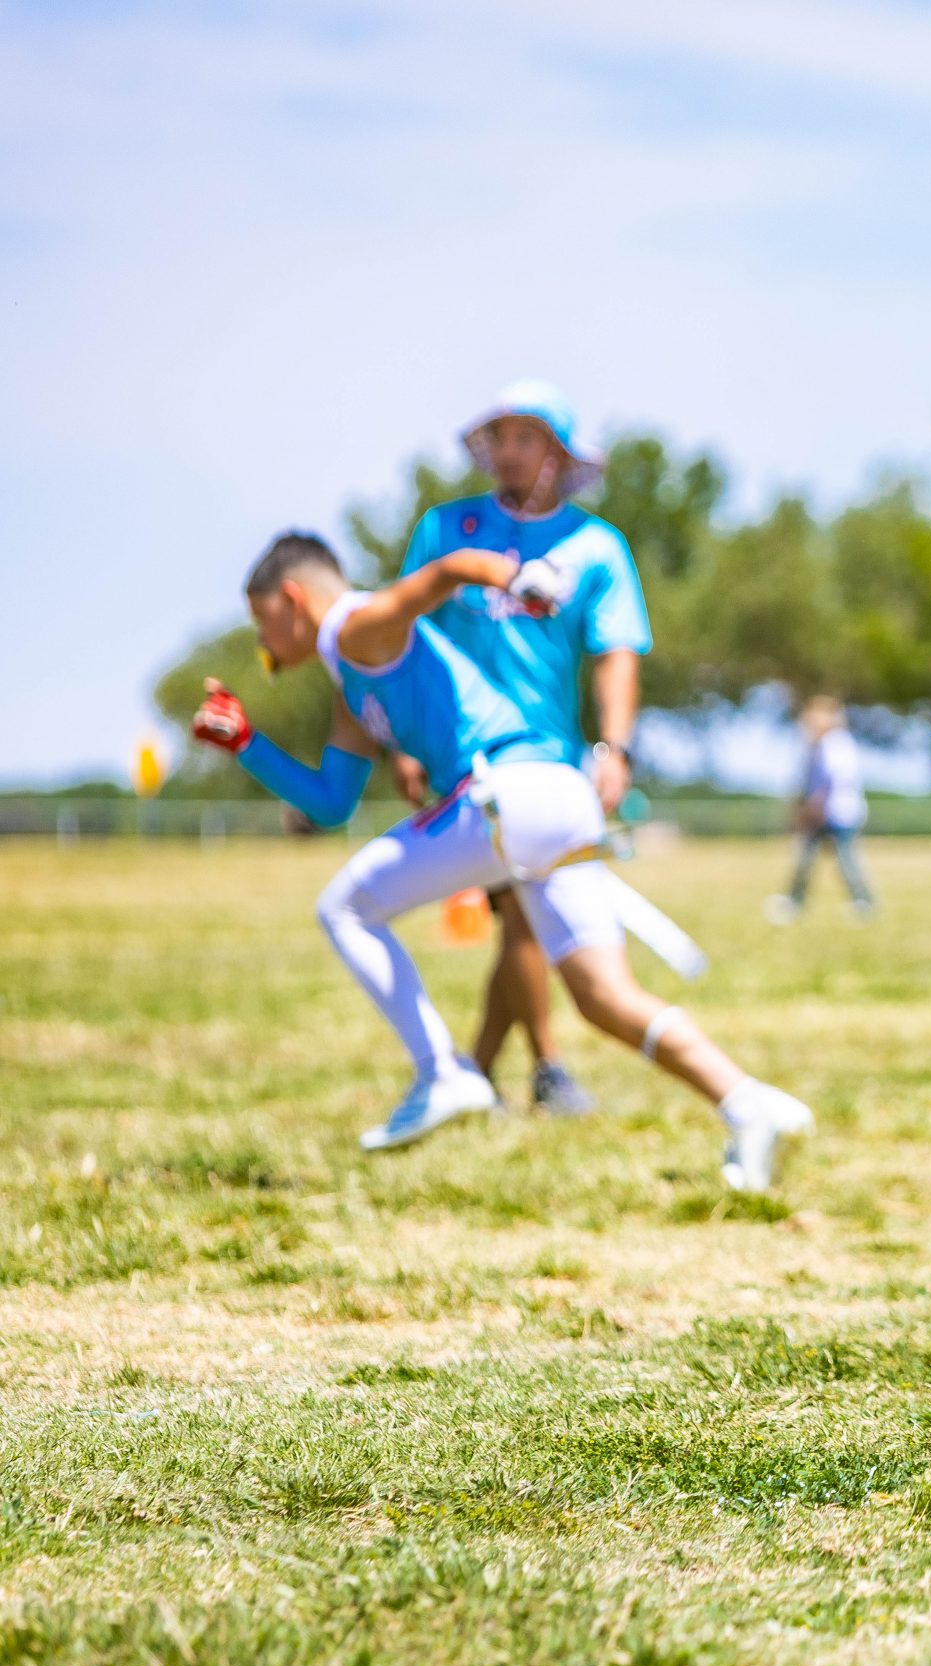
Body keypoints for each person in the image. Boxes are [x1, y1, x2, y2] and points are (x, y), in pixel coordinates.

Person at [188, 532, 811, 1189]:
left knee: (344, 908)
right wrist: (248, 743)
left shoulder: (354, 625)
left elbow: (450, 569)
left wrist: (517, 579)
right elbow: (331, 802)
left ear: (291, 599)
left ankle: (443, 1072)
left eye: (262, 621)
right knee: (603, 997)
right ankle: (748, 1104)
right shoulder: (351, 677)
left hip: (504, 794)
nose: (263, 643)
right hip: (557, 795)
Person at [394, 381, 653, 1117]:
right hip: (456, 752)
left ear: (559, 455)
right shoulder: (447, 530)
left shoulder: (596, 547)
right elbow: (401, 632)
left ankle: (488, 1072)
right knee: (520, 913)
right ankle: (530, 1069)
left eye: (526, 438)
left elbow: (617, 653)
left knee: (519, 910)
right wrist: (401, 741)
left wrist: (614, 747)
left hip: (545, 759)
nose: (508, 452)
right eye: (500, 438)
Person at [769, 696, 875, 922]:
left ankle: (863, 902)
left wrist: (813, 808)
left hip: (838, 813)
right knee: (805, 859)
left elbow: (828, 780)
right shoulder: (815, 744)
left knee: (846, 860)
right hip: (821, 811)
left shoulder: (837, 743)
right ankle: (795, 900)